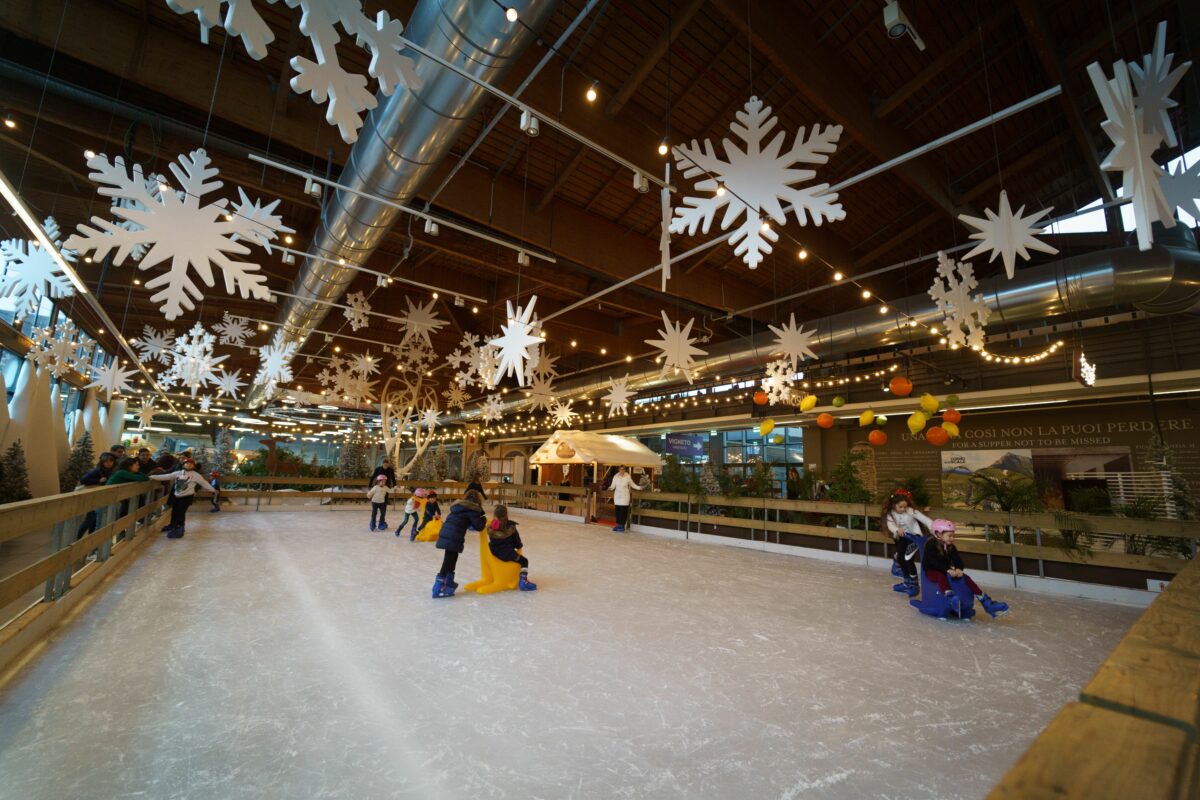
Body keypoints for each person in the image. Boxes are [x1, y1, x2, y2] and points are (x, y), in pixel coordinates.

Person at [923, 519, 1009, 618]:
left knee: (965, 578)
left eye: (953, 536)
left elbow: (957, 559)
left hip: (946, 570)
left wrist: (959, 568)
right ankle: (950, 598)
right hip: (932, 570)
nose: (952, 538)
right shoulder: (931, 545)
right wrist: (947, 569)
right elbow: (933, 561)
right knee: (940, 576)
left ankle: (986, 602)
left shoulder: (951, 546)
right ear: (938, 534)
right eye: (949, 536)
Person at [432, 489, 486, 598]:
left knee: (452, 557)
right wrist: (483, 518)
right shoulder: (472, 509)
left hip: (447, 532)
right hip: (453, 535)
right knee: (448, 560)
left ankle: (449, 581)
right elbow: (479, 526)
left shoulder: (460, 506)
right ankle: (438, 587)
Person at [881, 489, 933, 597]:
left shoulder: (911, 511)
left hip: (915, 538)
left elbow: (926, 520)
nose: (903, 509)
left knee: (908, 559)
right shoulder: (890, 514)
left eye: (905, 506)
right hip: (902, 538)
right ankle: (906, 582)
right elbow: (891, 525)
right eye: (901, 507)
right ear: (894, 505)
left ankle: (914, 585)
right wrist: (896, 530)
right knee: (900, 558)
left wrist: (935, 530)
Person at [149, 457, 212, 538]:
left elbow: (204, 483)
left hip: (187, 497)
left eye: (191, 464)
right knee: (175, 511)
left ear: (194, 466)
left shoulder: (196, 475)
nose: (188, 465)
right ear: (183, 465)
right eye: (186, 463)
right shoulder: (179, 473)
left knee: (180, 512)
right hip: (177, 496)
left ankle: (179, 529)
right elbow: (167, 476)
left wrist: (212, 489)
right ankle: (173, 525)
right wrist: (152, 477)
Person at [488, 504, 537, 591]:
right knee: (524, 561)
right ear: (506, 514)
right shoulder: (511, 527)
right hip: (507, 555)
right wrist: (518, 546)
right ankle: (523, 582)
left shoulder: (492, 526)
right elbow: (517, 543)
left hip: (494, 552)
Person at [75, 452, 117, 540]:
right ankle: (76, 539)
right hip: (94, 498)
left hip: (101, 498)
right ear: (102, 462)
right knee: (90, 519)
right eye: (106, 461)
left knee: (93, 521)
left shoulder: (112, 471)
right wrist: (98, 480)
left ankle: (90, 542)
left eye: (110, 461)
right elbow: (83, 480)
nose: (108, 463)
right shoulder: (97, 470)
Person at [608, 465, 643, 533]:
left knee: (623, 511)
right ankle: (618, 525)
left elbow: (632, 485)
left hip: (625, 497)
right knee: (618, 511)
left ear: (625, 470)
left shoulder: (628, 477)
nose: (622, 471)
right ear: (619, 470)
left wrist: (639, 488)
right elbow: (613, 486)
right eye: (621, 469)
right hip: (617, 497)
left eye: (623, 469)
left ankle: (622, 526)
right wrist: (610, 488)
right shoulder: (615, 477)